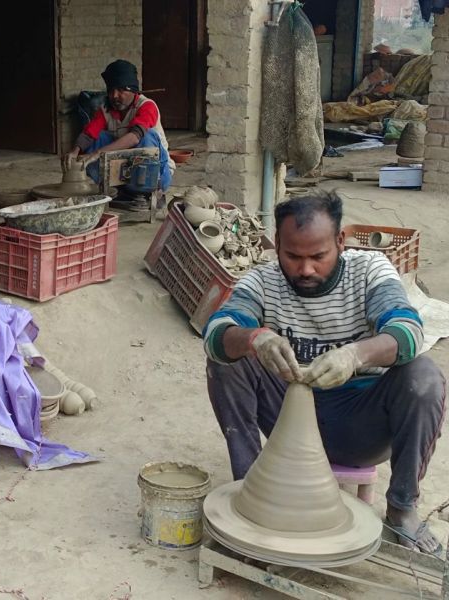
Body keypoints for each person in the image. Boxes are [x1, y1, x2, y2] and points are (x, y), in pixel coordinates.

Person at [203, 191, 446, 556]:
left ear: (340, 241)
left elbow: (408, 332)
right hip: (287, 412)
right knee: (226, 361)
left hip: (360, 425)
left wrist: (355, 354)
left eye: (318, 256)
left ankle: (401, 508)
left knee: (423, 376)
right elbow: (215, 333)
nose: (306, 269)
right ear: (277, 245)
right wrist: (254, 338)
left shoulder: (370, 271)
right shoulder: (262, 281)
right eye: (293, 256)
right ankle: (251, 492)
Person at [63, 59, 175, 192]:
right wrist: (74, 151)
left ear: (133, 90)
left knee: (147, 136)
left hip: (159, 172)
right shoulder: (106, 109)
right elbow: (89, 133)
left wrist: (98, 153)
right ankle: (112, 187)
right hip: (125, 169)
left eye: (120, 90)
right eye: (111, 91)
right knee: (96, 138)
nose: (114, 96)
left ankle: (146, 191)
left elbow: (134, 137)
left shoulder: (147, 106)